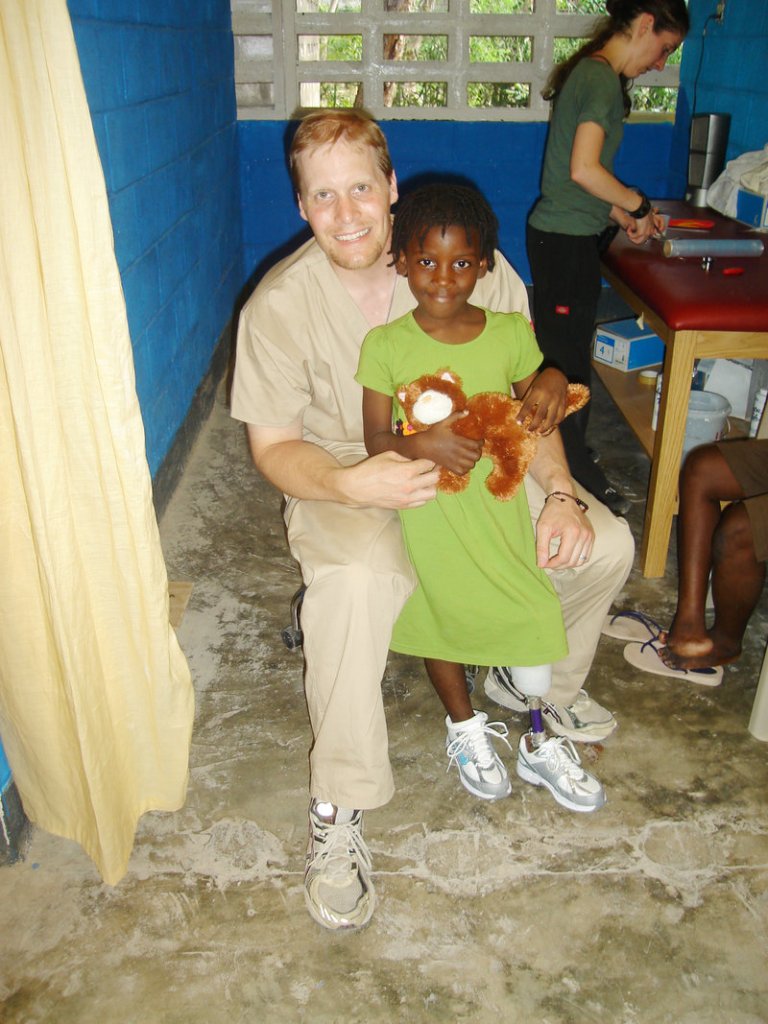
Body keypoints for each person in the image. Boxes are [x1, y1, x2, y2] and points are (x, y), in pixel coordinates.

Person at [231, 108, 633, 932]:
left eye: (359, 189)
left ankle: (532, 697)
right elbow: (273, 449)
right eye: (322, 195)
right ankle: (339, 809)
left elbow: (530, 400)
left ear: (390, 188)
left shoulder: (459, 259)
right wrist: (353, 487)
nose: (345, 213)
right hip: (347, 467)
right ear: (302, 205)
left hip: (483, 453)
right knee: (353, 582)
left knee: (604, 543)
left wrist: (558, 493)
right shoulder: (279, 306)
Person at [356, 182, 606, 814]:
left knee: (531, 614)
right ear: (403, 262)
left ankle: (539, 740)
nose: (444, 277)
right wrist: (425, 446)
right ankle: (465, 728)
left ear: (485, 264)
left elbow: (537, 386)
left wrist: (551, 376)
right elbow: (377, 437)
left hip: (499, 505)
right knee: (444, 616)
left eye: (462, 261)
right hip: (430, 507)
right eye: (428, 261)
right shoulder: (385, 345)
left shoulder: (504, 331)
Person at [527, 0, 689, 516]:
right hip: (563, 242)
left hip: (569, 236)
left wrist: (624, 216)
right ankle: (575, 477)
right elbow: (582, 170)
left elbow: (577, 180)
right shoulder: (599, 79)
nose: (661, 63)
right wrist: (636, 202)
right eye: (664, 48)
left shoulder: (595, 74)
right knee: (568, 371)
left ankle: (570, 459)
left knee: (572, 360)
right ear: (645, 24)